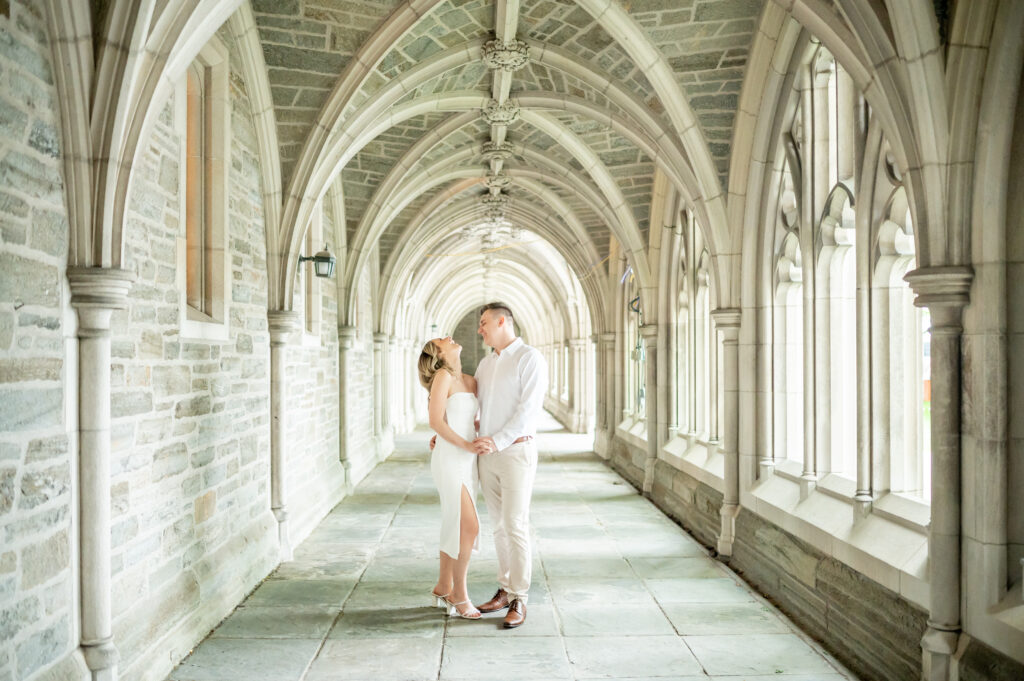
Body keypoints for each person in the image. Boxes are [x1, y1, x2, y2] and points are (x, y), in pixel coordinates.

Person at [471, 303, 548, 628]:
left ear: (503, 321)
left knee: (516, 524)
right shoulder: (485, 364)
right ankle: (504, 589)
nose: (480, 329)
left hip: (516, 452)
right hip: (488, 455)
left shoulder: (529, 358)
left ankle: (520, 598)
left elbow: (528, 411)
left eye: (485, 322)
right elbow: (476, 409)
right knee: (499, 527)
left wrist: (499, 440)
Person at [417, 336, 482, 619]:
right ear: (440, 353)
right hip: (450, 457)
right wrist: (463, 444)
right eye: (442, 339)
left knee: (454, 522)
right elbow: (435, 420)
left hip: (468, 459)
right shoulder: (443, 376)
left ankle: (443, 585)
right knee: (469, 525)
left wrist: (475, 439)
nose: (450, 337)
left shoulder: (471, 379)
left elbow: (469, 419)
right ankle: (459, 593)